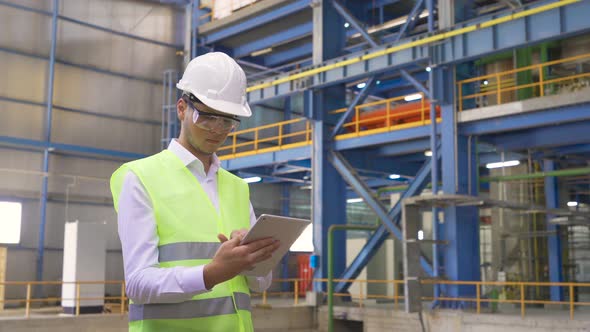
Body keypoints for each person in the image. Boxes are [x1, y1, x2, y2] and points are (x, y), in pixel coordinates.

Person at [110, 52, 281, 332]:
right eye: (207, 117)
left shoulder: (238, 188)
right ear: (182, 108)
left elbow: (260, 283)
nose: (217, 130)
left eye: (228, 121)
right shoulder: (141, 177)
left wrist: (256, 260)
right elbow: (138, 284)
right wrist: (211, 273)